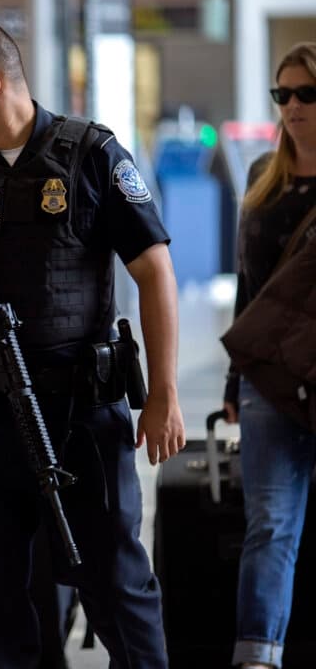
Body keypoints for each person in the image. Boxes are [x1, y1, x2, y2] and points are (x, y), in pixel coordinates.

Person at [0, 20, 185, 668]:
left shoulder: (91, 154)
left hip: (78, 412)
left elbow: (153, 268)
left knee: (115, 584)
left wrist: (163, 391)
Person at [223, 41, 316, 669]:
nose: (292, 106)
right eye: (282, 94)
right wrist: (234, 383)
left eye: (306, 93)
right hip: (267, 381)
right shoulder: (263, 175)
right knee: (270, 526)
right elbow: (247, 290)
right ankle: (257, 656)